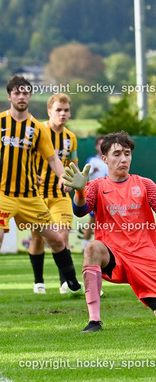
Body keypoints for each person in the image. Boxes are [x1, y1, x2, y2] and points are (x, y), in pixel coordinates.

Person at [64, 131, 156, 332]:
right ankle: (94, 321)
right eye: (117, 154)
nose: (123, 159)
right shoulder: (96, 186)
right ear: (104, 159)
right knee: (92, 248)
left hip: (145, 259)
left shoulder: (145, 184)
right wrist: (79, 192)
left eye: (127, 153)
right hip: (114, 257)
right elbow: (80, 211)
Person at [0, 76, 80, 294]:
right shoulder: (1, 122)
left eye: (25, 93)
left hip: (30, 197)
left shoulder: (36, 128)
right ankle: (39, 282)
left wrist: (63, 176)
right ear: (9, 96)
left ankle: (71, 282)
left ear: (30, 96)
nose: (21, 96)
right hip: (3, 194)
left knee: (56, 239)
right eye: (17, 93)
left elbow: (53, 158)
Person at [28, 93, 80, 294]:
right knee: (37, 238)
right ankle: (38, 282)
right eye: (58, 110)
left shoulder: (70, 138)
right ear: (49, 111)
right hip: (37, 195)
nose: (62, 114)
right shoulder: (37, 131)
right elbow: (24, 157)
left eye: (66, 110)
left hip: (60, 195)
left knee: (62, 234)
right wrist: (30, 175)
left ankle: (65, 283)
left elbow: (73, 165)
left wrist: (71, 180)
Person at [82, 134, 109, 250]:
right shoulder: (92, 160)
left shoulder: (111, 160)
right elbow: (85, 174)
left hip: (110, 194)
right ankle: (85, 246)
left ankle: (107, 246)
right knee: (93, 220)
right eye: (100, 144)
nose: (102, 147)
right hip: (96, 195)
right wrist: (93, 170)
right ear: (96, 146)